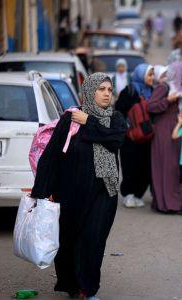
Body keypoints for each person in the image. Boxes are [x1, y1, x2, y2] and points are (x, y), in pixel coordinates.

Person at [31, 73, 126, 299]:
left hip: (104, 192)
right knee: (70, 240)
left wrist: (90, 122)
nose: (106, 94)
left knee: (94, 240)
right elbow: (52, 155)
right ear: (90, 90)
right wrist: (41, 192)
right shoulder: (71, 119)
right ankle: (73, 285)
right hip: (71, 192)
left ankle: (89, 288)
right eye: (101, 89)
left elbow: (115, 139)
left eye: (109, 90)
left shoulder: (115, 118)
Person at [148, 62, 182, 213]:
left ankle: (172, 202)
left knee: (173, 167)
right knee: (166, 167)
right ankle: (165, 204)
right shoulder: (164, 87)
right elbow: (151, 106)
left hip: (175, 130)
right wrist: (168, 101)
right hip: (164, 131)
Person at [115, 64, 155, 208]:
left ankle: (138, 194)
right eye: (149, 75)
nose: (152, 78)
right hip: (130, 137)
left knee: (144, 166)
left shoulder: (153, 91)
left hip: (147, 137)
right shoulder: (130, 90)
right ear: (141, 75)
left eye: (152, 75)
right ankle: (128, 194)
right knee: (130, 165)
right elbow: (119, 109)